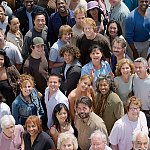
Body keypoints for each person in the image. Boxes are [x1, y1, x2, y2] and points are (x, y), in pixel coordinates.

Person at [133, 57, 150, 134]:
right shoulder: (134, 77)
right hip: (136, 111)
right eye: (135, 67)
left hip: (148, 114)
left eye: (140, 67)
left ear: (146, 67)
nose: (137, 70)